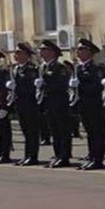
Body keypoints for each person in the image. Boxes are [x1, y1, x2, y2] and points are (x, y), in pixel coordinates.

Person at [72, 38, 105, 171]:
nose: (78, 52)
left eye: (81, 49)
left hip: (94, 104)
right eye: (78, 49)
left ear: (90, 52)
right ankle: (92, 156)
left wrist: (80, 85)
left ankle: (98, 159)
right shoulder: (78, 68)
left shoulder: (96, 68)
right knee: (90, 132)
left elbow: (96, 87)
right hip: (83, 104)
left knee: (97, 132)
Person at [38, 40, 72, 168]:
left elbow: (62, 85)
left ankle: (64, 157)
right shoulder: (43, 67)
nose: (41, 52)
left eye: (44, 49)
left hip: (59, 102)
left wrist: (45, 85)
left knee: (63, 130)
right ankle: (58, 155)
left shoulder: (60, 67)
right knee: (54, 131)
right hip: (48, 103)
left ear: (52, 52)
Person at [10, 43, 42, 166]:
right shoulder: (15, 69)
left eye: (19, 53)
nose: (16, 55)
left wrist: (17, 87)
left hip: (30, 104)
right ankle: (27, 155)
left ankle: (33, 156)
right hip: (20, 104)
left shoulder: (31, 70)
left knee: (32, 131)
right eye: (16, 53)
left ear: (26, 55)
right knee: (25, 131)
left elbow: (30, 89)